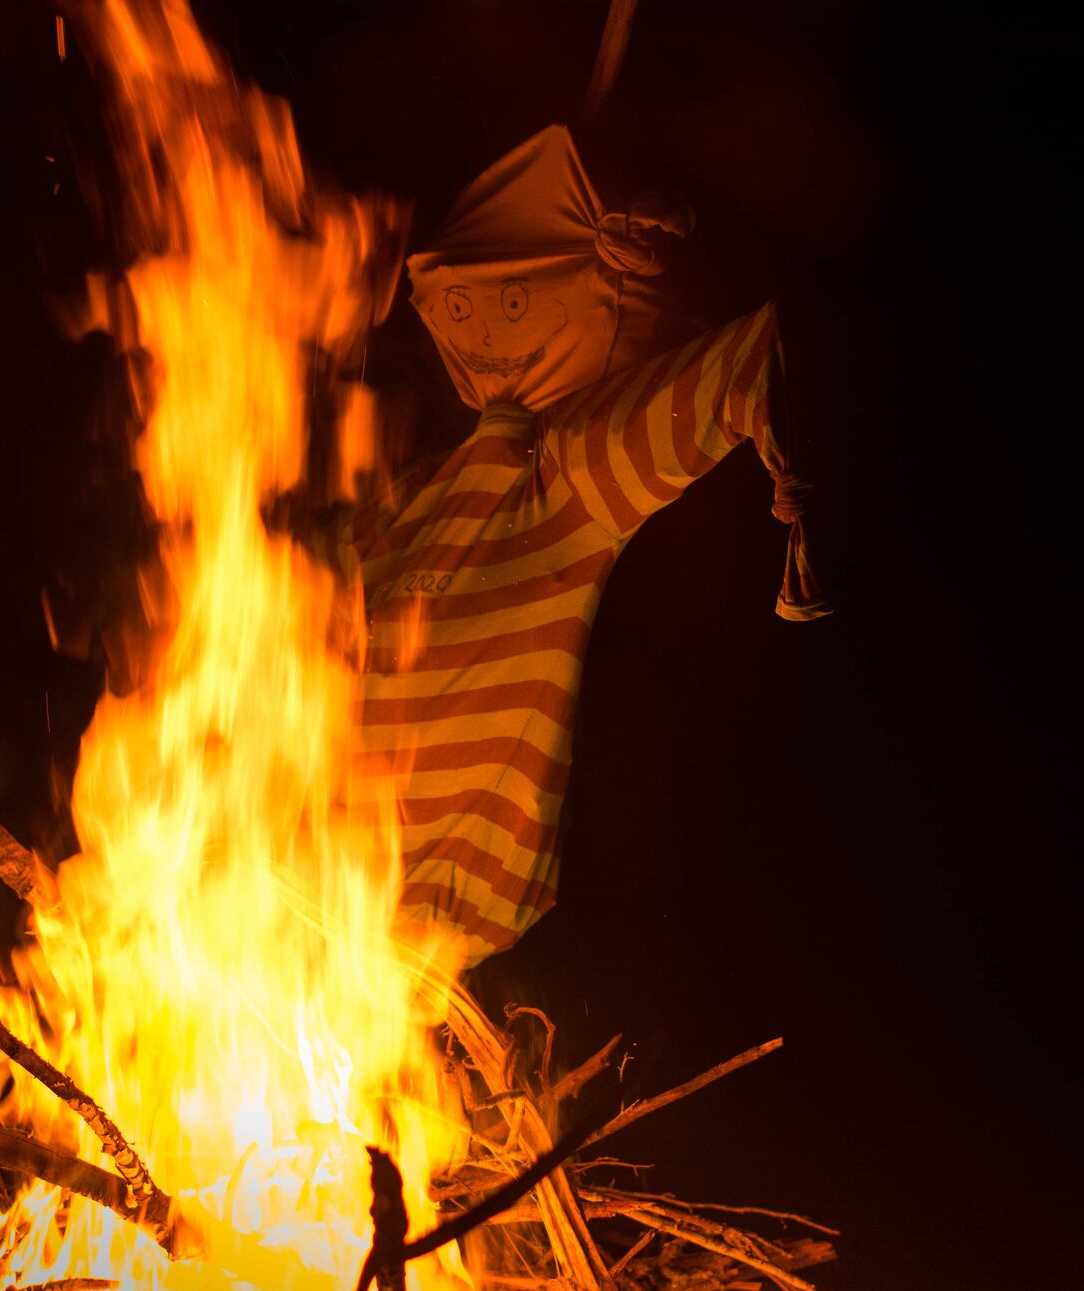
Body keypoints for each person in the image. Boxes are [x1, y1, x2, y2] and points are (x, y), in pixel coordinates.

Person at [319, 126, 827, 964]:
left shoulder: (560, 477)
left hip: (401, 959)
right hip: (283, 916)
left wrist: (800, 492)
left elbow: (759, 359)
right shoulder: (399, 510)